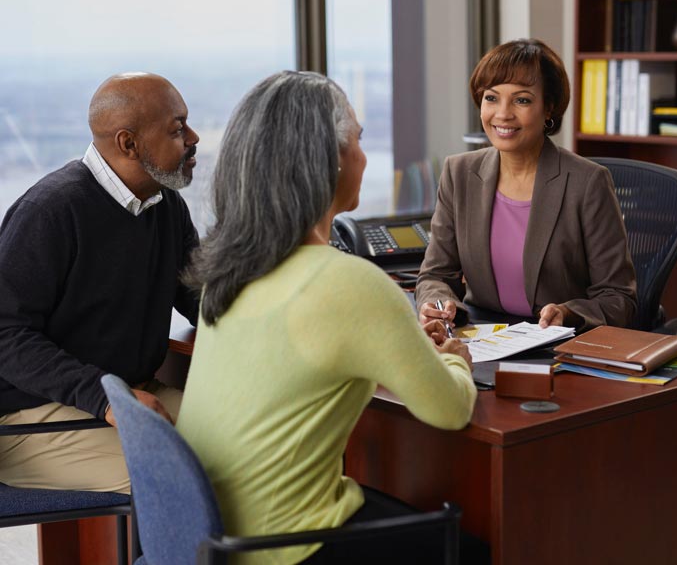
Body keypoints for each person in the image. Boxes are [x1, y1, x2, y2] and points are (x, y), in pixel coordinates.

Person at [177, 71, 483, 564]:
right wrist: (454, 359)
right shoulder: (350, 282)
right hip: (285, 547)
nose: (364, 156)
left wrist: (398, 342)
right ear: (332, 159)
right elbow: (449, 410)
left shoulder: (227, 268)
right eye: (359, 140)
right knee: (477, 550)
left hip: (211, 537)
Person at [0, 72, 200, 493]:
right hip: (28, 415)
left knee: (253, 447)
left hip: (130, 393)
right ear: (129, 143)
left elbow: (201, 299)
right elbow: (5, 335)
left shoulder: (165, 205)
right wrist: (105, 398)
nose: (194, 138)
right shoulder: (50, 211)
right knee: (179, 478)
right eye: (178, 129)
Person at [415, 38, 637, 332]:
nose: (503, 114)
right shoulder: (459, 173)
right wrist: (440, 305)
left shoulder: (587, 182)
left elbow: (619, 297)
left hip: (558, 345)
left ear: (549, 108)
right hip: (482, 338)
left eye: (522, 100)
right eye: (491, 98)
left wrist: (567, 313)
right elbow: (435, 275)